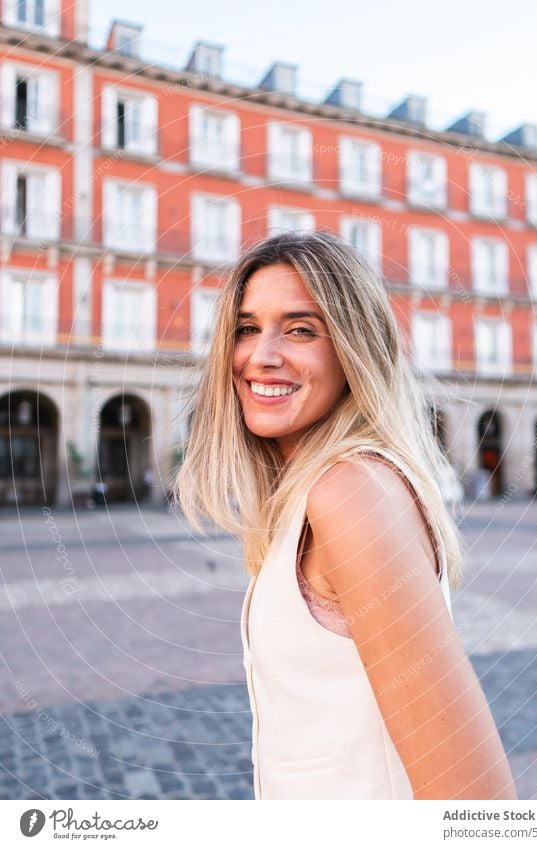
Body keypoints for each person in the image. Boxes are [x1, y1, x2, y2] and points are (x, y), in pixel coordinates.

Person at [176, 230, 517, 801]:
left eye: (301, 329)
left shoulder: (352, 493)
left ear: (354, 349)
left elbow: (474, 801)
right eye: (247, 328)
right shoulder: (312, 493)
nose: (261, 354)